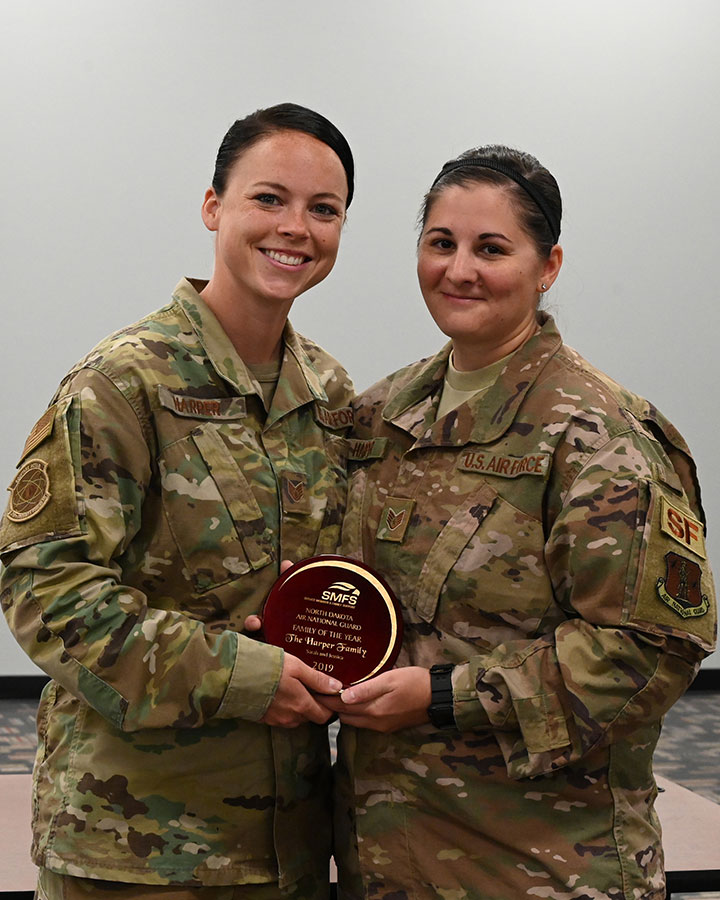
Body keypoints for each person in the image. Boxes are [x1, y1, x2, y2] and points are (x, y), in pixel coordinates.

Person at [320, 145, 716, 900]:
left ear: (548, 265)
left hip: (539, 864)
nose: (459, 269)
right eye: (441, 243)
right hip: (385, 854)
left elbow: (648, 651)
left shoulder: (600, 435)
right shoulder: (379, 415)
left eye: (491, 248)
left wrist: (443, 696)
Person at [0, 102, 356, 900]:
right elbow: (46, 594)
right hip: (137, 850)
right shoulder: (123, 383)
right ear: (213, 208)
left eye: (322, 209)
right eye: (269, 198)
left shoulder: (330, 393)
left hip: (288, 846)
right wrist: (242, 675)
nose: (295, 227)